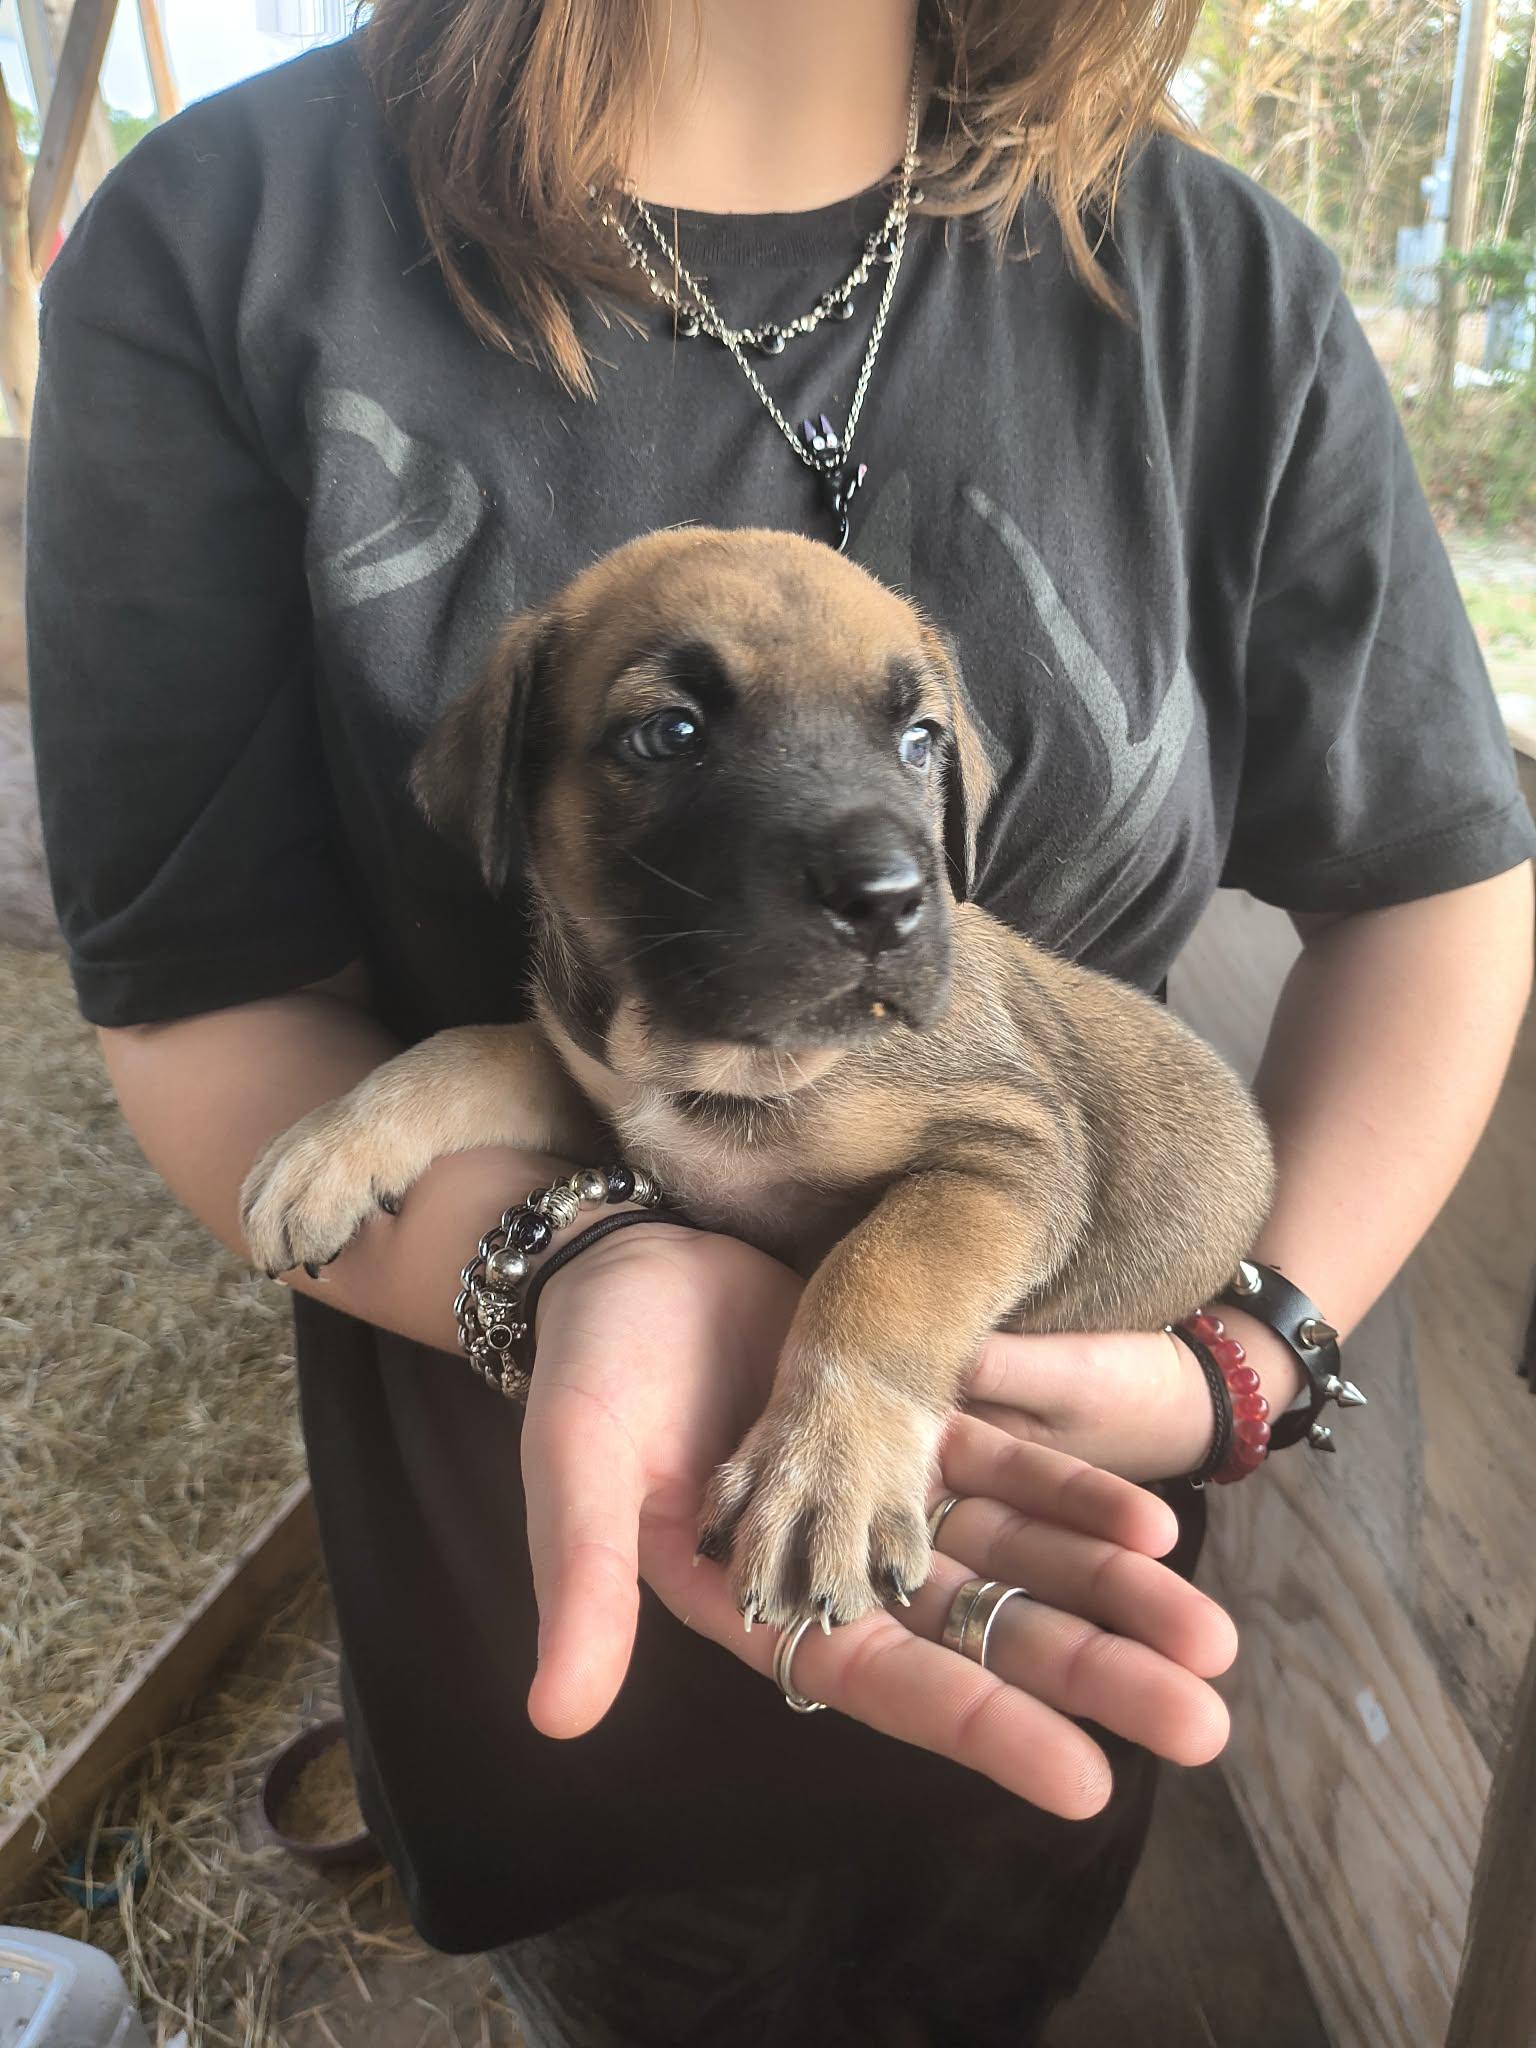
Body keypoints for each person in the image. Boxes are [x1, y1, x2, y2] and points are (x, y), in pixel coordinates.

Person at [26, 1, 1534, 2041]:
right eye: (668, 734)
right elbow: (223, 990)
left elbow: (1430, 879)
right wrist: (562, 1255)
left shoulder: (1209, 274)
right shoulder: (225, 234)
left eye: (911, 754)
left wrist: (1252, 1363)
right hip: (546, 1615)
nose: (881, 857)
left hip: (1037, 1570)